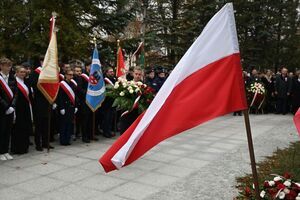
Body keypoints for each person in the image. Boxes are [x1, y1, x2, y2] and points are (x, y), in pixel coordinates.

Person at [29, 57, 54, 151]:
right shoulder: (35, 73)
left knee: (46, 124)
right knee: (39, 125)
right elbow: (33, 87)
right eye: (44, 61)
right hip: (39, 102)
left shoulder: (49, 73)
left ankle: (45, 142)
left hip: (48, 102)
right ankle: (38, 144)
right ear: (41, 62)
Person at [11, 66, 33, 154]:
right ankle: (17, 148)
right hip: (18, 108)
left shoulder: (26, 82)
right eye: (21, 72)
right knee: (17, 128)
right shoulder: (13, 82)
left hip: (26, 107)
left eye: (24, 72)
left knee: (25, 128)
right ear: (16, 72)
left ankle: (24, 147)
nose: (23, 73)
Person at [0, 57, 17, 160]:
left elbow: (16, 93)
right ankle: (0, 152)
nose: (9, 68)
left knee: (7, 131)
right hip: (1, 110)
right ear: (1, 66)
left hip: (10, 109)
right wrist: (6, 107)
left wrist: (12, 106)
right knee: (1, 131)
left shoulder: (12, 78)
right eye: (7, 65)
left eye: (10, 65)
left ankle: (5, 151)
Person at [119, 67, 143, 134]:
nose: (137, 76)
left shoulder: (144, 86)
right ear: (133, 74)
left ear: (141, 75)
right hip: (127, 112)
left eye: (139, 74)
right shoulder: (127, 84)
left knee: (134, 133)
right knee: (124, 131)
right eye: (136, 74)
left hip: (137, 113)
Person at [56, 69, 78, 145]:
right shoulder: (62, 84)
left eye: (72, 75)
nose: (71, 76)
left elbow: (75, 96)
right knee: (63, 124)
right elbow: (60, 97)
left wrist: (76, 106)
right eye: (69, 75)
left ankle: (67, 139)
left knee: (69, 124)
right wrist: (61, 107)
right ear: (65, 75)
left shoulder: (73, 84)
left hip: (71, 106)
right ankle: (63, 140)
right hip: (65, 106)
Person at [99, 67, 117, 138]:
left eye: (112, 71)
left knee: (110, 118)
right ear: (106, 73)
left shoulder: (114, 79)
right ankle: (105, 132)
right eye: (110, 72)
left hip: (112, 102)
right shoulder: (104, 80)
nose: (112, 73)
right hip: (106, 102)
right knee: (106, 118)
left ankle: (109, 131)